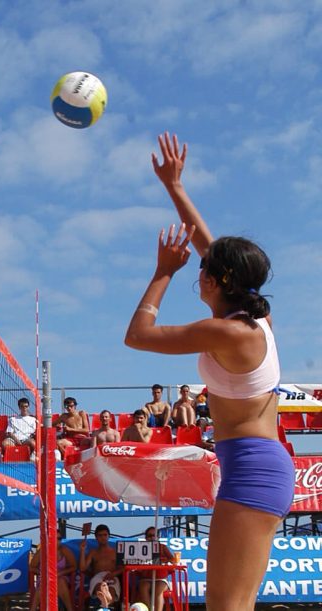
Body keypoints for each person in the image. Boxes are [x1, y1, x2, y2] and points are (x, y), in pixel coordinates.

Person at [125, 132, 293, 610]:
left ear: (218, 282)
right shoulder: (254, 318)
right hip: (256, 465)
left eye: (204, 270)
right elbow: (209, 246)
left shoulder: (229, 332)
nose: (198, 271)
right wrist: (174, 186)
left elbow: (137, 336)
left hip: (254, 470)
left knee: (226, 605)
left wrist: (163, 271)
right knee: (232, 603)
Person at [79, 524, 120, 607]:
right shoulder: (93, 552)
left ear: (108, 536)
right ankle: (106, 604)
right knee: (101, 587)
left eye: (105, 535)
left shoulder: (115, 552)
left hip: (112, 577)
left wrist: (113, 574)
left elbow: (123, 568)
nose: (103, 537)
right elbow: (82, 568)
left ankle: (105, 604)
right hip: (97, 578)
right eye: (100, 535)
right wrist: (82, 550)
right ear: (96, 537)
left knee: (111, 592)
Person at [136, 526, 175, 611]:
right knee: (143, 587)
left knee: (158, 589)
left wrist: (165, 560)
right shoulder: (141, 549)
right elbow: (136, 565)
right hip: (146, 578)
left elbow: (173, 560)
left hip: (161, 579)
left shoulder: (163, 547)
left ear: (158, 537)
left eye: (154, 535)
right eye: (150, 536)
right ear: (146, 538)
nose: (152, 538)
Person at [29, 541, 76, 611]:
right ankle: (33, 609)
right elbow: (31, 567)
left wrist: (60, 573)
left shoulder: (64, 550)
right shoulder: (42, 551)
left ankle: (70, 609)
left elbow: (74, 566)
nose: (57, 541)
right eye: (56, 538)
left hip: (61, 576)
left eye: (59, 538)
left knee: (60, 581)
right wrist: (43, 573)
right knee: (44, 583)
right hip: (45, 577)